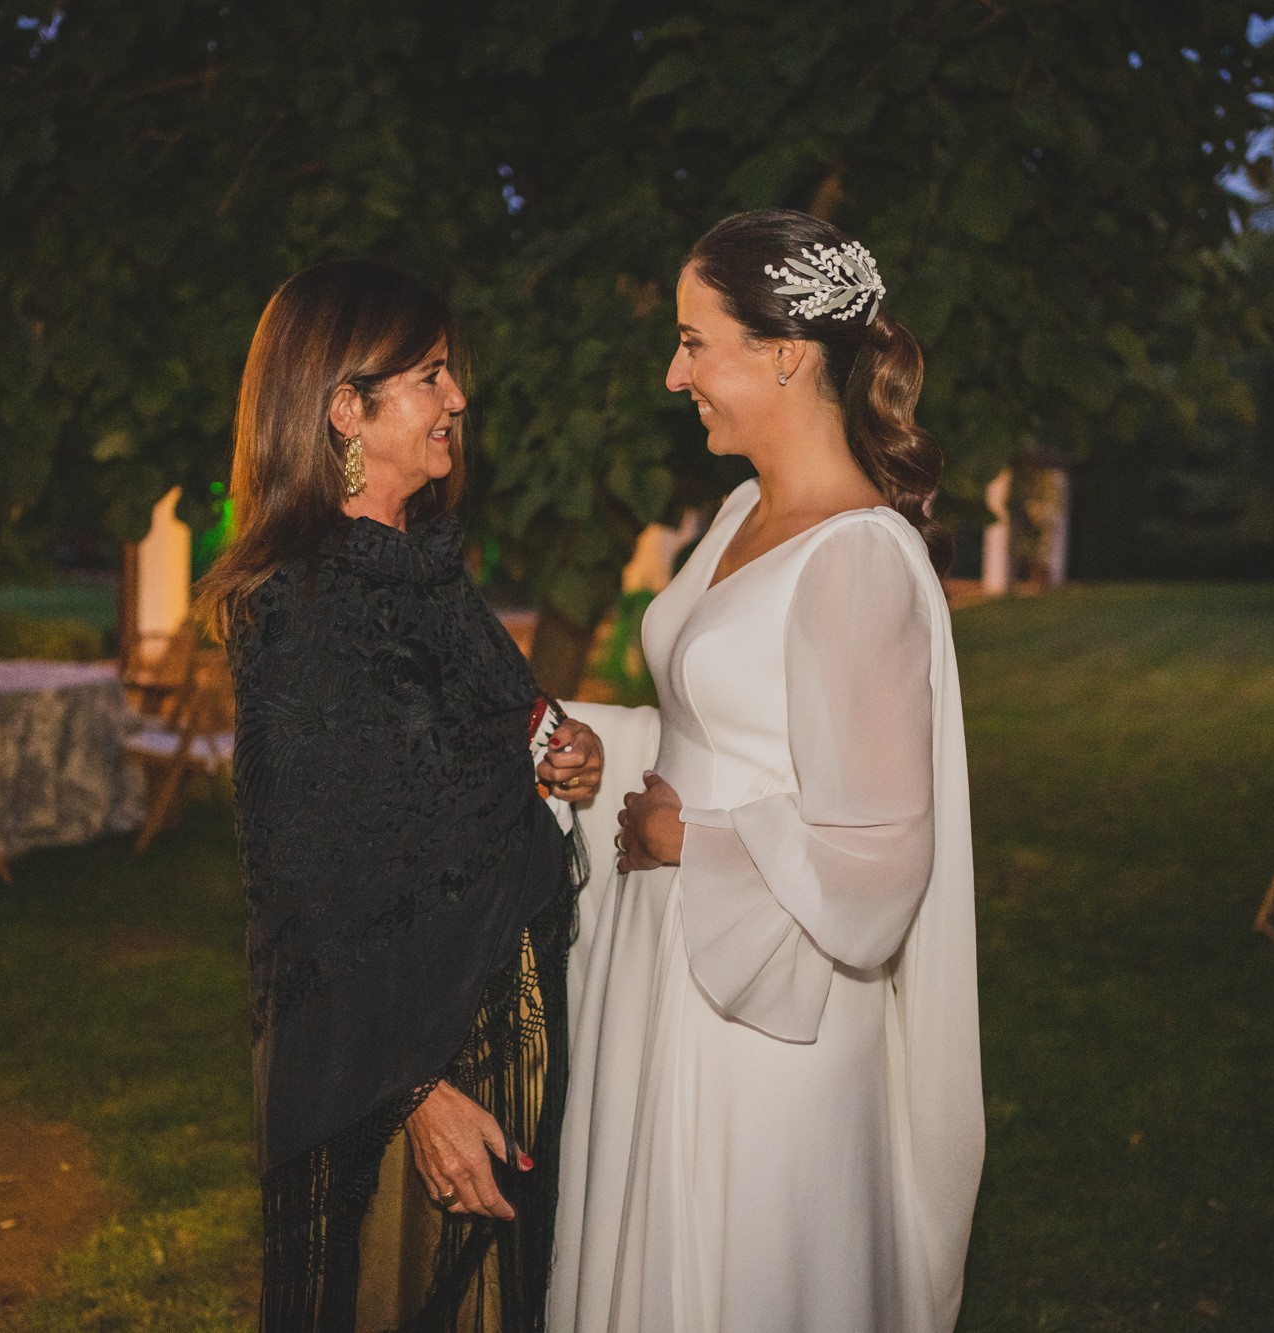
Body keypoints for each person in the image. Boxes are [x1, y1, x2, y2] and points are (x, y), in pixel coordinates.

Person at [549, 210, 985, 1332]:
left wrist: (685, 840)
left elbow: (881, 849)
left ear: (785, 353)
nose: (671, 371)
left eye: (695, 342)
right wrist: (614, 754)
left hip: (764, 1007)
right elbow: (714, 727)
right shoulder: (742, 509)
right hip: (673, 957)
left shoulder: (856, 559)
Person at [194, 259, 607, 1332]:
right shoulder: (305, 602)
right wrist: (416, 1095)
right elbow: (304, 887)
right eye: (429, 376)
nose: (456, 399)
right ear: (346, 411)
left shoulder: (417, 566)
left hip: (481, 1026)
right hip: (397, 1070)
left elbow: (479, 743)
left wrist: (564, 754)